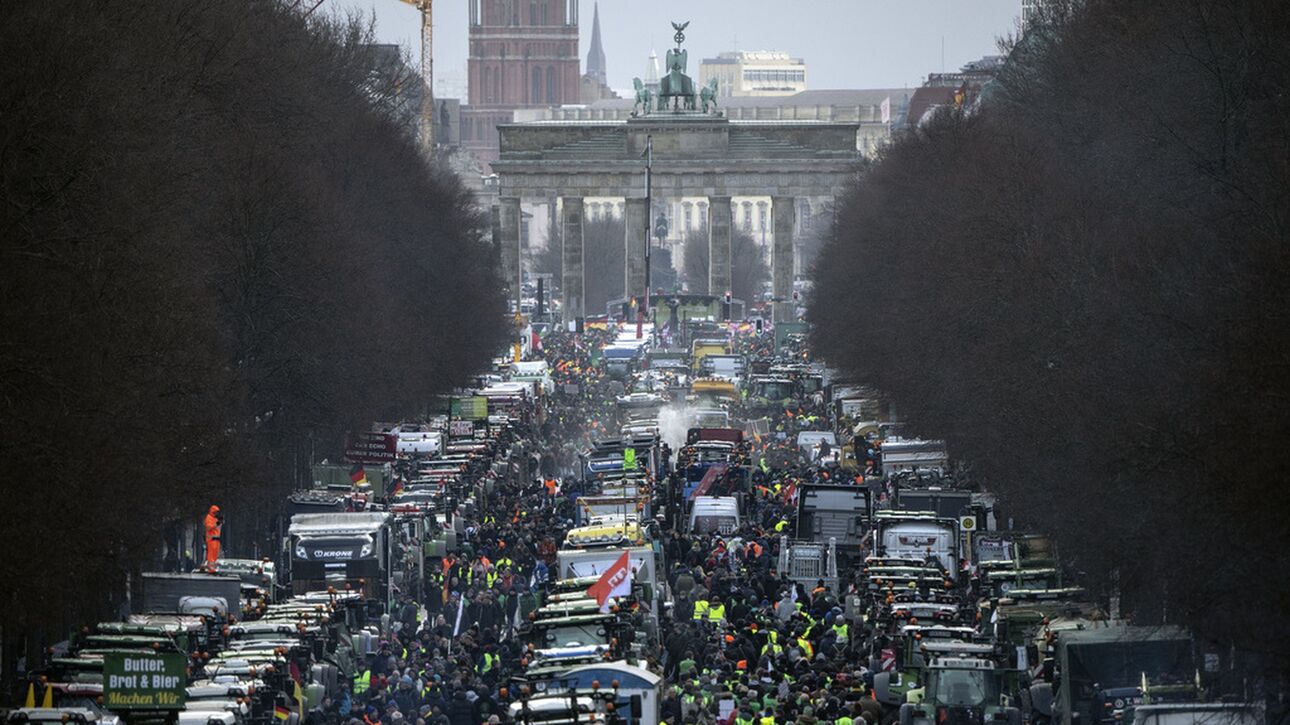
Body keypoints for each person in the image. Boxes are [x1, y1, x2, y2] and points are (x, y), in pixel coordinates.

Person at [203, 505, 223, 571]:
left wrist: (220, 522)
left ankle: (213, 567)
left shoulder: (215, 518)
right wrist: (217, 523)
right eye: (216, 512)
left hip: (216, 539)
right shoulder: (208, 518)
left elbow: (218, 528)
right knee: (211, 554)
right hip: (211, 539)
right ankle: (211, 568)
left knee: (215, 554)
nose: (217, 514)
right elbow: (209, 527)